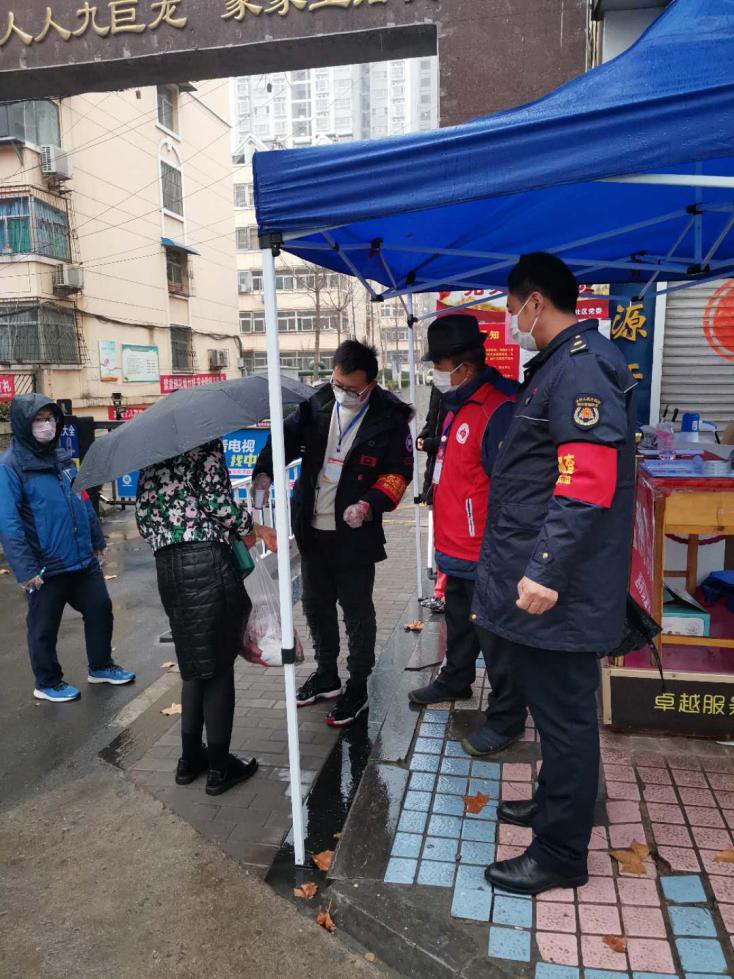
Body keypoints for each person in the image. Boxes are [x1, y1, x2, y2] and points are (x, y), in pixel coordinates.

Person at [473, 253, 637, 895]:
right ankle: (551, 806)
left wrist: (544, 570)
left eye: (511, 308)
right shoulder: (562, 364)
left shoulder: (580, 367)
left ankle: (562, 852)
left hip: (560, 588)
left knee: (567, 719)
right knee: (550, 709)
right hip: (547, 582)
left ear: (535, 302)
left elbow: (586, 482)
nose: (509, 321)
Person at [253, 339, 413, 728]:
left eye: (352, 388)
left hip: (355, 533)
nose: (343, 392)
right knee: (315, 604)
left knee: (357, 612)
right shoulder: (318, 402)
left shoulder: (390, 417)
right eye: (337, 383)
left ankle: (357, 684)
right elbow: (283, 440)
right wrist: (263, 474)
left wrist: (370, 504)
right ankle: (327, 674)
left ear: (370, 384)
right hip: (312, 528)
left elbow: (399, 472)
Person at [408, 316, 527, 757]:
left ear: (463, 365)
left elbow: (513, 492)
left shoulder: (499, 408)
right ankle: (456, 678)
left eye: (438, 366)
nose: (435, 375)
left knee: (498, 639)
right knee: (459, 623)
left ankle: (507, 716)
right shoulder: (458, 402)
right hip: (456, 545)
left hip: (487, 552)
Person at [136, 440, 277, 796]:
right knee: (218, 667)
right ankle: (218, 768)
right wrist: (253, 526)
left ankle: (189, 760)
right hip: (207, 563)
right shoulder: (203, 446)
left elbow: (143, 519)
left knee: (194, 664)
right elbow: (217, 502)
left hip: (168, 568)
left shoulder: (153, 455)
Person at [0, 395, 135, 702]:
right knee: (44, 628)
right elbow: (8, 523)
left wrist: (96, 541)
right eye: (38, 420)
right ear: (23, 424)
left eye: (50, 419)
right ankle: (48, 682)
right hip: (45, 567)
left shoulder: (60, 458)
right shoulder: (11, 467)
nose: (46, 426)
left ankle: (101, 666)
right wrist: (26, 570)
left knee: (100, 610)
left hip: (81, 559)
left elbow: (81, 500)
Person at [416, 382, 447, 614]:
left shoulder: (463, 393)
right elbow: (431, 421)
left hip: (449, 475)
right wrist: (423, 437)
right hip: (435, 470)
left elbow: (452, 437)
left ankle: (443, 593)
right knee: (440, 536)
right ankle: (440, 592)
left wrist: (429, 443)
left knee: (447, 537)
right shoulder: (438, 387)